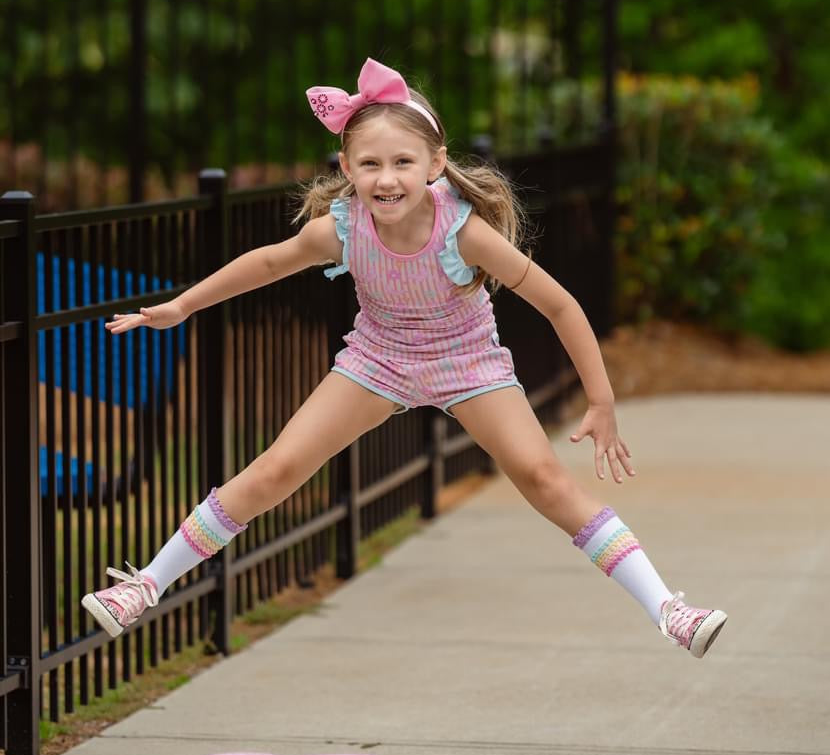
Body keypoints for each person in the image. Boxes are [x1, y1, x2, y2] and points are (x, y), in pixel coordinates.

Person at [82, 58, 727, 659]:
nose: (385, 178)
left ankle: (669, 609)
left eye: (401, 162)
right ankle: (145, 585)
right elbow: (270, 262)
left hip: (468, 364)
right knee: (276, 469)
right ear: (346, 166)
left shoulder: (464, 232)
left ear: (435, 164)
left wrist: (602, 401)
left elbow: (562, 306)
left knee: (544, 479)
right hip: (378, 360)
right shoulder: (341, 228)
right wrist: (183, 307)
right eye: (369, 164)